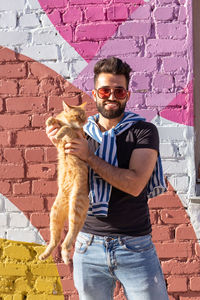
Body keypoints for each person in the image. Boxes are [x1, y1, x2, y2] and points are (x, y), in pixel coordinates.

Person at [46, 57, 169, 300]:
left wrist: (89, 156)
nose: (111, 96)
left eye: (118, 91)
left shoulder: (142, 131)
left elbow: (134, 185)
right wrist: (60, 144)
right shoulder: (80, 132)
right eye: (105, 90)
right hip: (87, 245)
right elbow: (71, 178)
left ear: (127, 95)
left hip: (134, 247)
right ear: (94, 94)